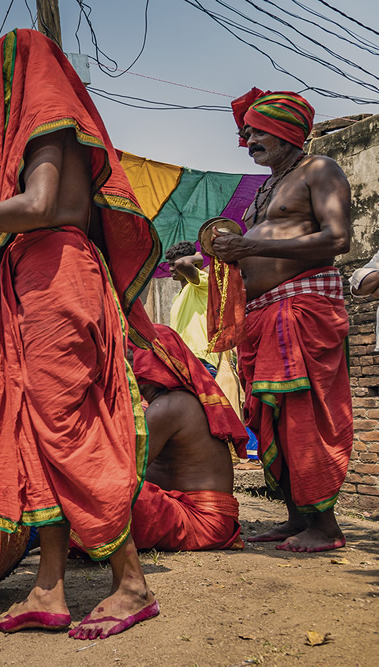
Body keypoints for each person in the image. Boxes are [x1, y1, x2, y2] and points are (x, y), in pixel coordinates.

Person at [0, 30, 161, 639]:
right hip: (38, 279)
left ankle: (132, 583)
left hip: (56, 274)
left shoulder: (46, 120)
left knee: (66, 430)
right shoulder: (44, 126)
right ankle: (49, 588)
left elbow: (39, 205)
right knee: (38, 433)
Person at [211, 88, 353, 553]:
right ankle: (296, 518)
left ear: (286, 131)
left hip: (302, 310)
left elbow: (337, 239)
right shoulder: (263, 191)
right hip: (263, 316)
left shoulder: (319, 169)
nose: (247, 137)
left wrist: (250, 248)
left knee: (302, 415)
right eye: (247, 130)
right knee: (271, 416)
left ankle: (326, 527)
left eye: (256, 130)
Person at [128, 325, 249, 551]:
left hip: (202, 521)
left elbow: (126, 469)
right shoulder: (175, 402)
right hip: (208, 518)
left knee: (104, 489)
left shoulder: (169, 407)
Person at [164, 241, 219, 374]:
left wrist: (200, 256)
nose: (172, 269)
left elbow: (182, 264)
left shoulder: (203, 284)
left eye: (174, 264)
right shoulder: (177, 296)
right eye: (170, 265)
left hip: (201, 359)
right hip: (181, 361)